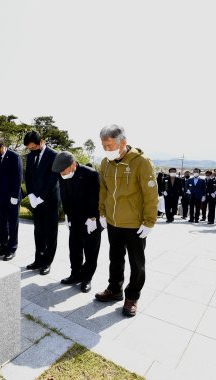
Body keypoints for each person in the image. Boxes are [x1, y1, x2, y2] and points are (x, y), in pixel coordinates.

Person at [94, 125, 158, 317]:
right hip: (113, 222)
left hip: (135, 224)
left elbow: (151, 194)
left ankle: (132, 296)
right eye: (104, 146)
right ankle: (114, 289)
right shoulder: (106, 163)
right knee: (115, 258)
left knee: (136, 263)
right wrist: (102, 213)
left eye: (110, 145)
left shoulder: (141, 162)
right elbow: (103, 190)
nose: (107, 150)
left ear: (123, 142)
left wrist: (149, 222)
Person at [52, 151, 101, 293]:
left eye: (63, 170)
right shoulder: (63, 175)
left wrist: (93, 218)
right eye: (59, 171)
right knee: (74, 248)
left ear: (73, 164)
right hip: (74, 218)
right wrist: (67, 215)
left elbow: (97, 199)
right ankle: (75, 274)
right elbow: (64, 196)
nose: (61, 173)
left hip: (90, 219)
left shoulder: (90, 174)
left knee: (91, 251)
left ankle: (87, 278)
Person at [24, 131, 60, 276]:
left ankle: (47, 262)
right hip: (36, 200)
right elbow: (29, 177)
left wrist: (42, 197)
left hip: (50, 199)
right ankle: (38, 259)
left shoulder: (54, 155)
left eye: (33, 147)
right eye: (29, 148)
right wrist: (31, 194)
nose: (31, 151)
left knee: (50, 233)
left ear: (41, 142)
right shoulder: (30, 156)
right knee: (38, 231)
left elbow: (53, 179)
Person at [0, 137, 22, 261]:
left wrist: (14, 195)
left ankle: (12, 248)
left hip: (12, 196)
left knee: (13, 223)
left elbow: (18, 178)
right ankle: (3, 246)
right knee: (2, 223)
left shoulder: (14, 157)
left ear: (1, 147)